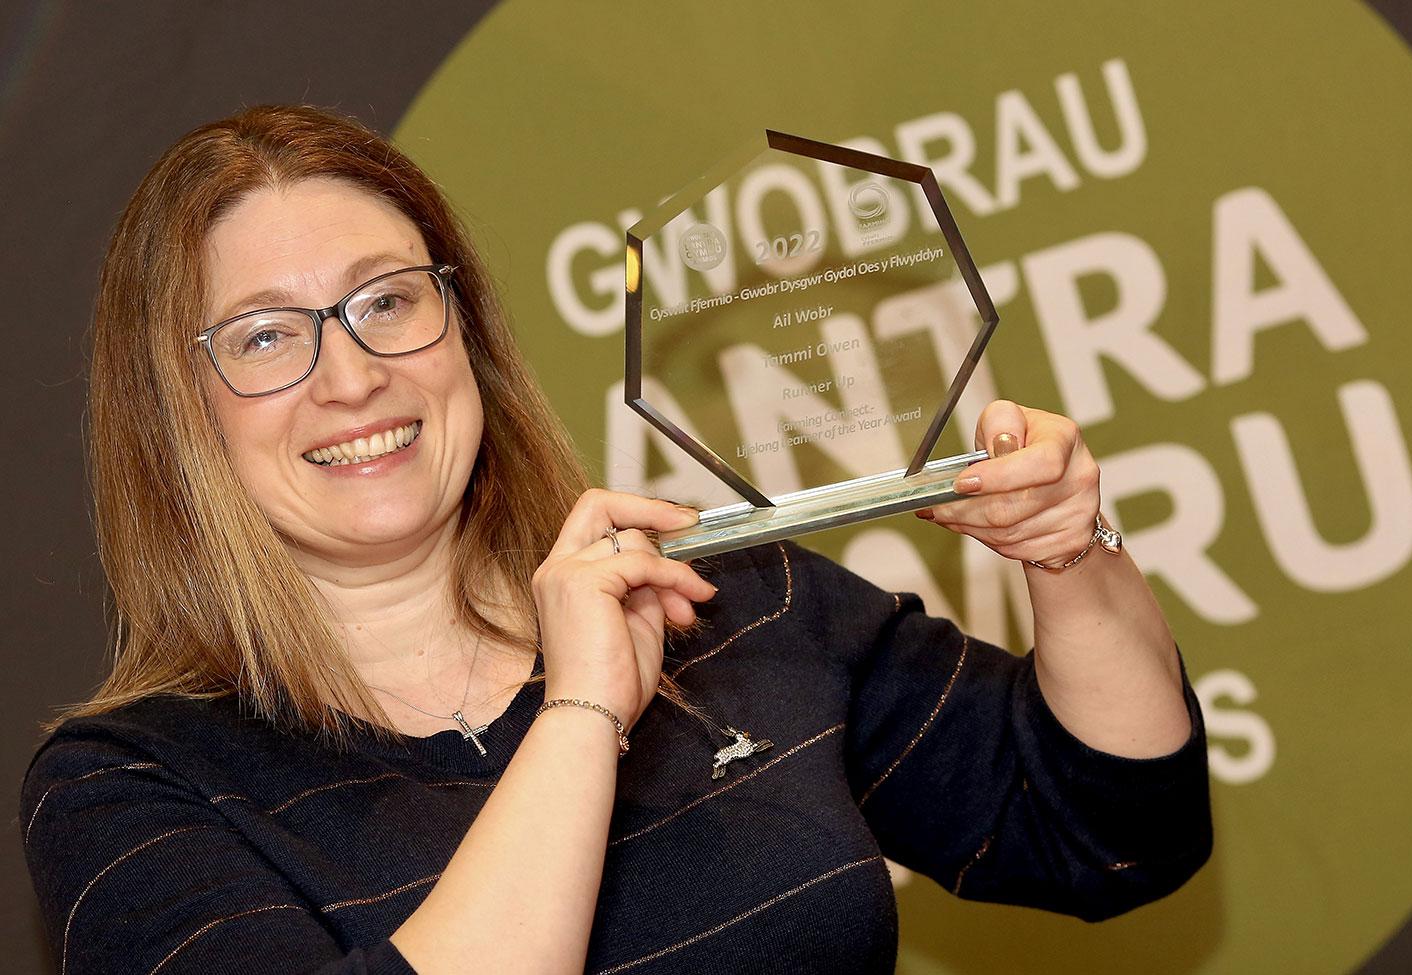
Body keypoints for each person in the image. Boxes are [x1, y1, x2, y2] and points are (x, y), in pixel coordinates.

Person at [20, 105, 1211, 975]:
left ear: (465, 332)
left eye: (387, 301)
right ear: (178, 413)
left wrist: (1073, 554)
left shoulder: (723, 596)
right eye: (267, 336)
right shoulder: (128, 787)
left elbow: (1107, 838)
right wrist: (583, 712)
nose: (353, 378)